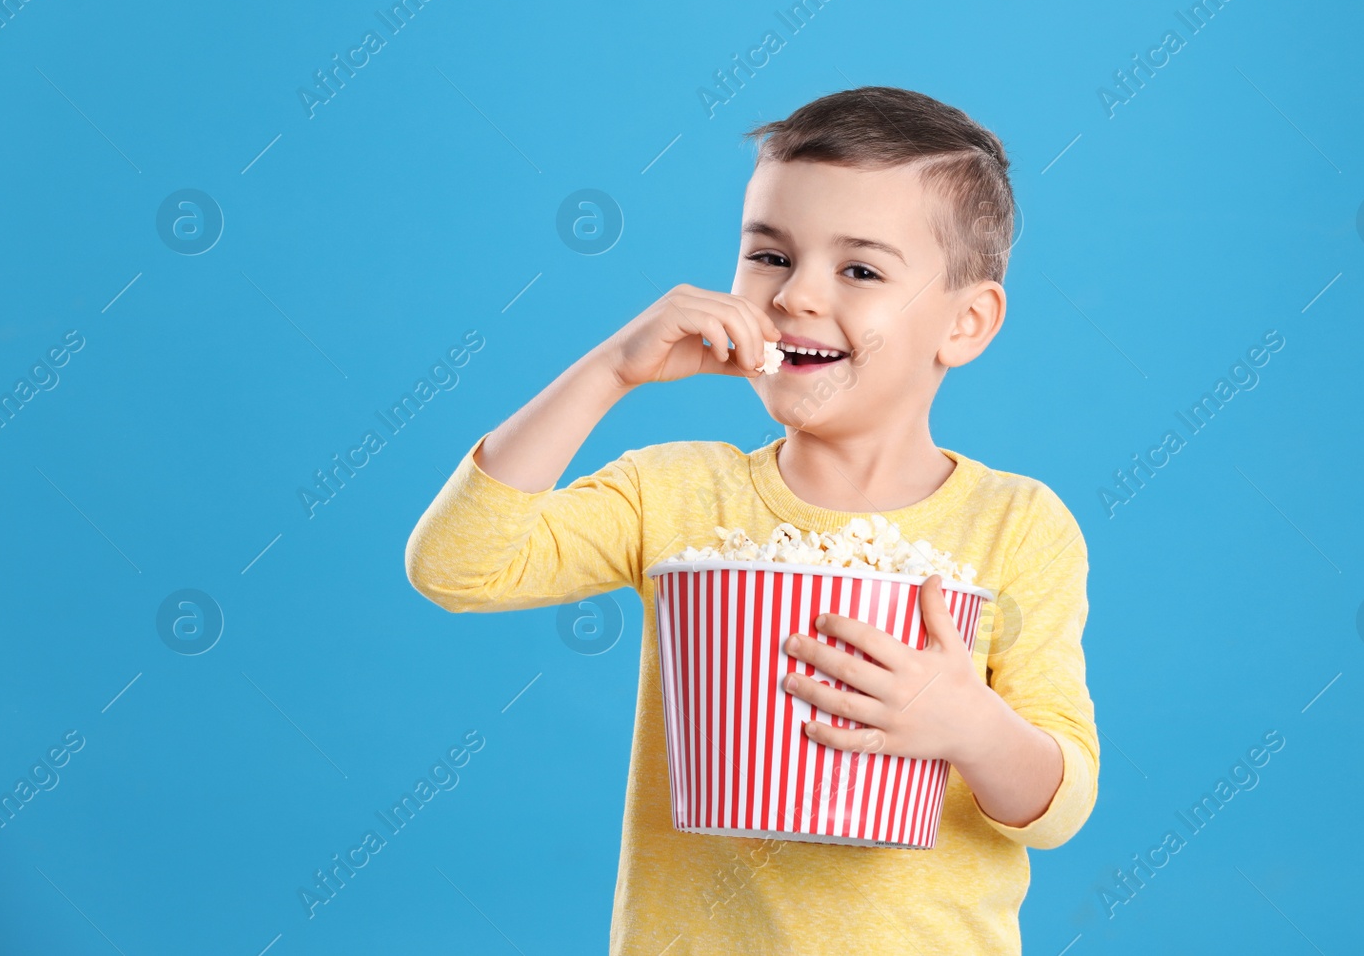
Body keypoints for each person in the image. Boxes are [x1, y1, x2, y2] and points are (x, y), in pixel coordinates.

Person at [405, 86, 1099, 954]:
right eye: (770, 254)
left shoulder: (1017, 525)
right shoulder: (677, 494)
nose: (797, 295)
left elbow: (1059, 804)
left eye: (860, 270)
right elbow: (457, 565)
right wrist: (609, 372)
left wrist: (970, 723)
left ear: (965, 323)